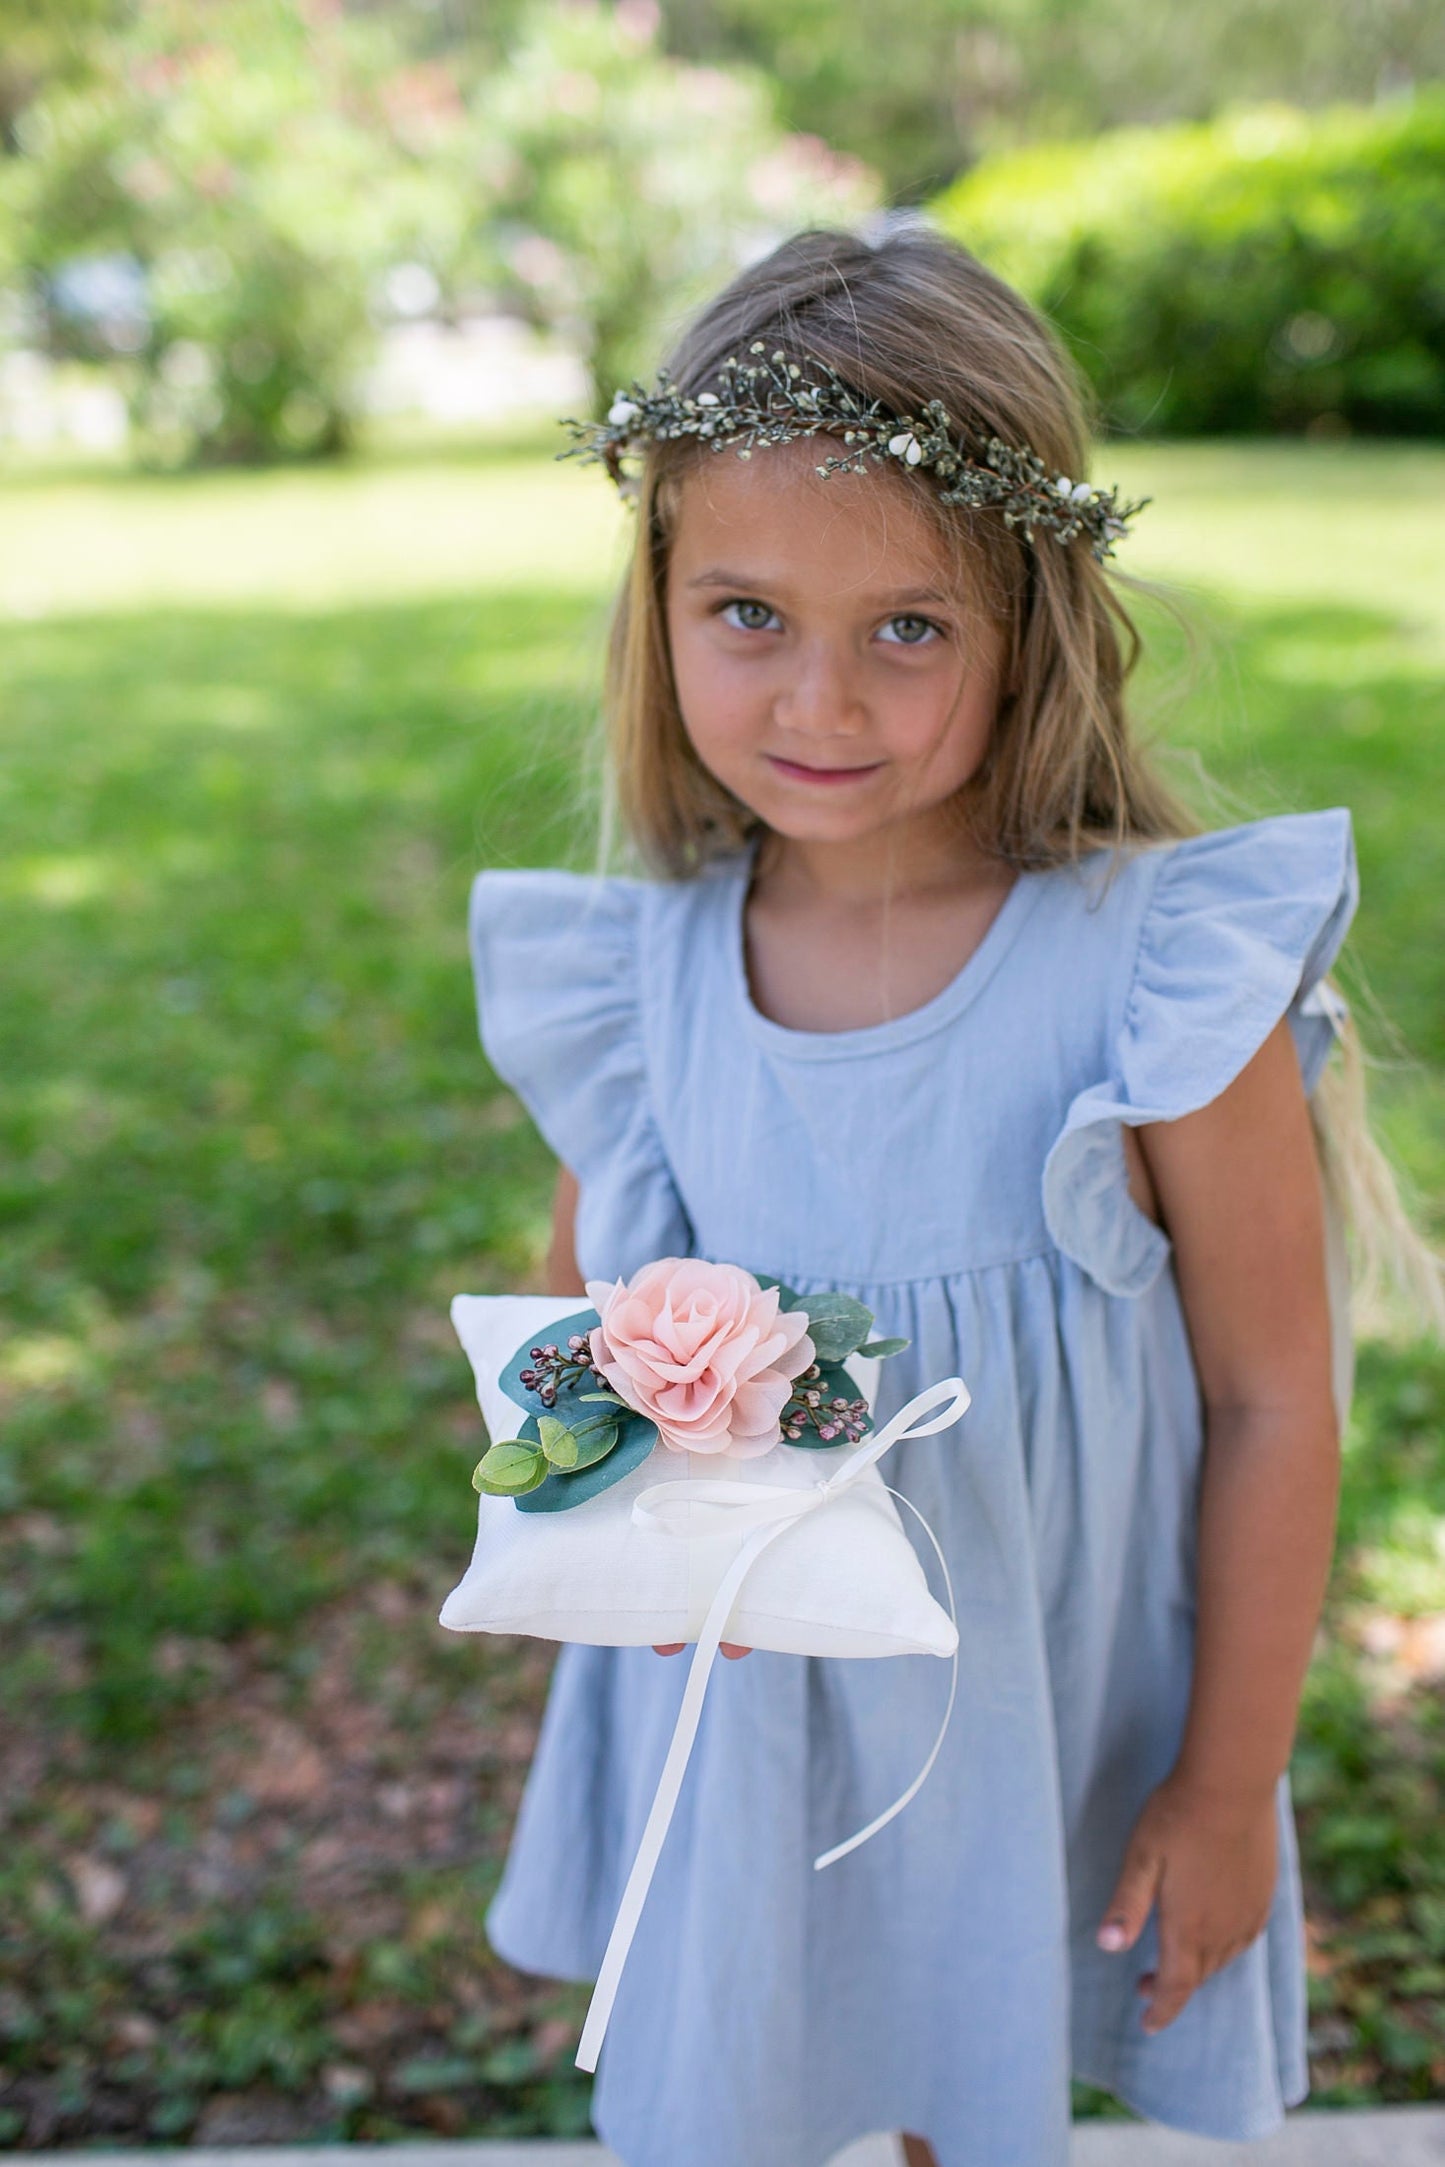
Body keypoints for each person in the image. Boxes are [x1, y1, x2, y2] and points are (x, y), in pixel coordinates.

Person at [463, 225, 1442, 2167]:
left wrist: (1230, 1778)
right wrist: (622, 1519)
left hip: (1037, 1699)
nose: (821, 697)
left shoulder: (1149, 980)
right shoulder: (646, 983)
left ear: (1031, 627)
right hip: (760, 1701)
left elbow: (1268, 1396)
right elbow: (583, 1342)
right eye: (747, 611)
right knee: (769, 2072)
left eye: (907, 628)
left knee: (968, 2077)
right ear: (657, 601)